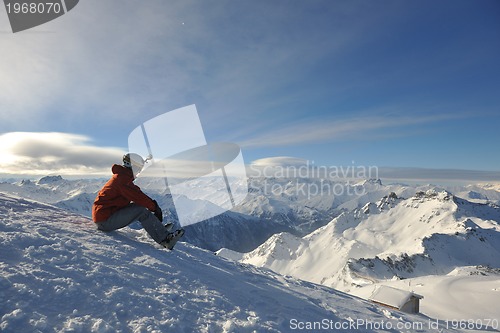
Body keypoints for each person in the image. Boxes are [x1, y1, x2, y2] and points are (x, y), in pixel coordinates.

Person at [92, 153, 183, 249]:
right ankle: (165, 239)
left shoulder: (122, 177)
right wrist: (155, 208)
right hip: (105, 221)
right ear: (133, 167)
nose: (139, 171)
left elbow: (137, 194)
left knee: (138, 207)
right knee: (140, 210)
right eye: (138, 168)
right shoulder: (122, 180)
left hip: (106, 215)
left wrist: (153, 207)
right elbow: (138, 196)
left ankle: (157, 230)